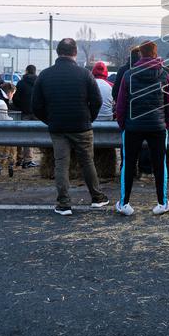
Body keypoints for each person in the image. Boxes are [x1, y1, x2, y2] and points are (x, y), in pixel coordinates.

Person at [32, 38, 109, 216]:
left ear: (58, 52)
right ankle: (97, 197)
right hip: (82, 125)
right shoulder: (84, 74)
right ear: (75, 53)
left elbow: (36, 105)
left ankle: (64, 203)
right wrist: (89, 118)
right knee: (87, 162)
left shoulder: (45, 75)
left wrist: (49, 120)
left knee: (61, 165)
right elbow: (97, 101)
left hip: (58, 127)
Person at [114, 40, 169, 216]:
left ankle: (124, 204)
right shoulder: (164, 75)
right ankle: (162, 203)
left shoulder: (128, 75)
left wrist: (123, 124)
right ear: (155, 54)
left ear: (140, 54)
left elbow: (121, 104)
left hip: (133, 126)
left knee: (128, 164)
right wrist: (167, 123)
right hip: (157, 126)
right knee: (160, 164)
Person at [12, 65, 38, 168]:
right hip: (37, 113)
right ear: (35, 72)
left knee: (23, 135)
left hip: (24, 113)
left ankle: (20, 158)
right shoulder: (39, 82)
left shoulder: (21, 83)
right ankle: (29, 159)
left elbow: (16, 99)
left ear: (26, 71)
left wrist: (21, 107)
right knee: (39, 136)